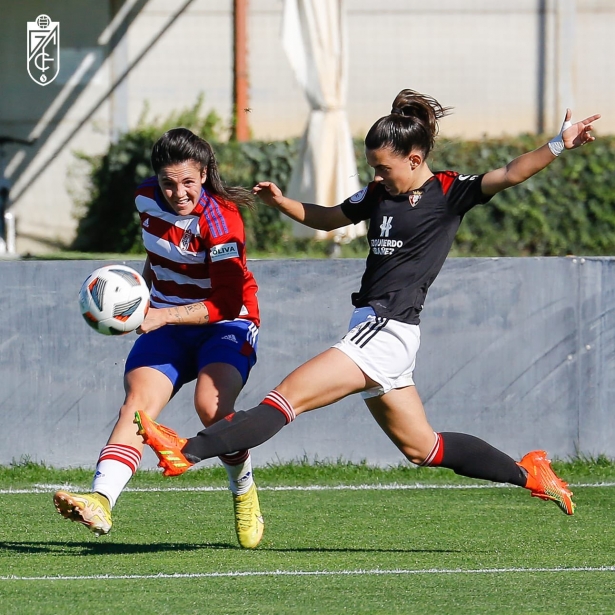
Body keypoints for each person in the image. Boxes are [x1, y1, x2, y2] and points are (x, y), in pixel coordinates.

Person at [135, 91, 601, 519]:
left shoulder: (449, 191)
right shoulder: (379, 193)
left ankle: (189, 450)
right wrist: (283, 202)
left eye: (383, 168)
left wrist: (558, 144)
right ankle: (530, 473)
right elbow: (332, 217)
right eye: (373, 168)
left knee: (285, 398)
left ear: (415, 159)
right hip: (380, 331)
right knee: (424, 448)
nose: (376, 177)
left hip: (387, 328)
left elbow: (512, 172)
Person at [54, 128, 265, 549]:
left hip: (227, 324)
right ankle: (101, 499)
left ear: (203, 174)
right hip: (165, 322)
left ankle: (242, 488)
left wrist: (158, 315)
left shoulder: (223, 221)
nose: (178, 192)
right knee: (137, 407)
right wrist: (136, 296)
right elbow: (158, 253)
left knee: (211, 406)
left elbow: (224, 302)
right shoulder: (144, 198)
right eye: (169, 182)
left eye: (188, 181)